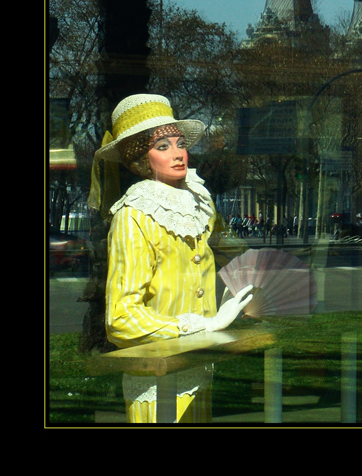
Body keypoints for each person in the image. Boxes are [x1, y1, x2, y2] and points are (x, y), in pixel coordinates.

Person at [92, 94, 253, 423]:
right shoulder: (134, 215)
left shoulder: (199, 202)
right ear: (140, 157)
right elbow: (121, 318)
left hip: (199, 366)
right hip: (156, 377)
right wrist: (204, 324)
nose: (179, 153)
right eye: (162, 146)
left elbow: (228, 254)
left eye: (179, 143)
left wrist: (244, 289)